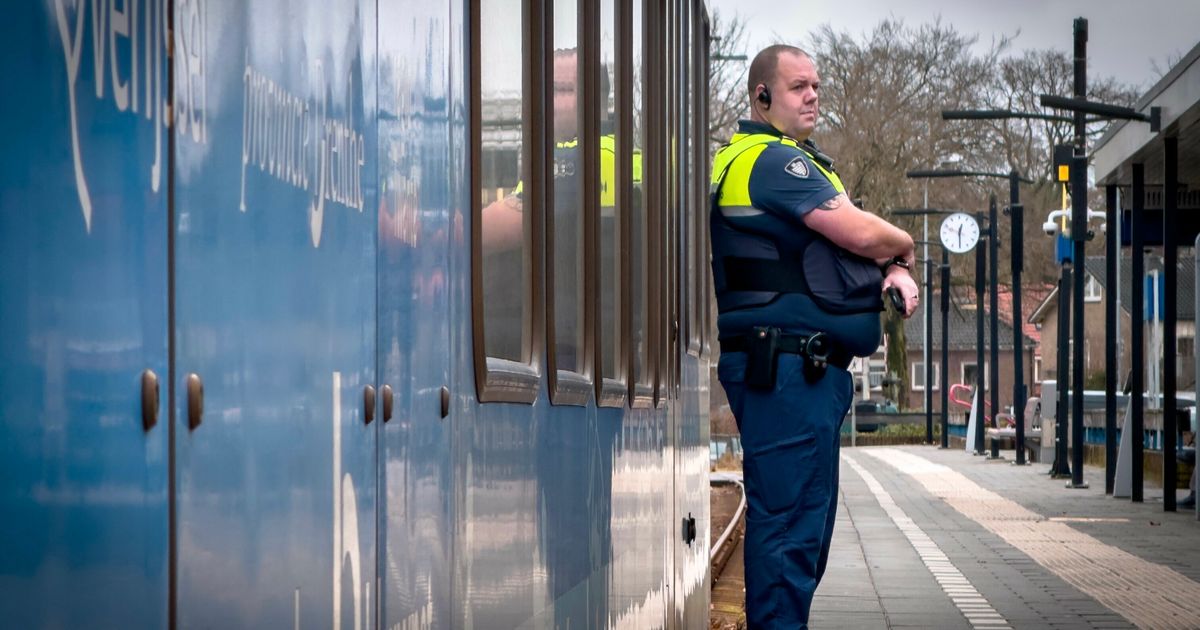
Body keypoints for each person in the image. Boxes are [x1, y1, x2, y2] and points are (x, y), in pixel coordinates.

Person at [710, 44, 918, 628]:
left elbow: (847, 253)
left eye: (816, 86)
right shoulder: (773, 162)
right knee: (786, 532)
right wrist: (902, 245)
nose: (812, 96)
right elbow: (854, 230)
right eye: (799, 86)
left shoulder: (782, 161)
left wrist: (891, 266)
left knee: (804, 530)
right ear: (762, 96)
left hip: (797, 371)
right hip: (783, 370)